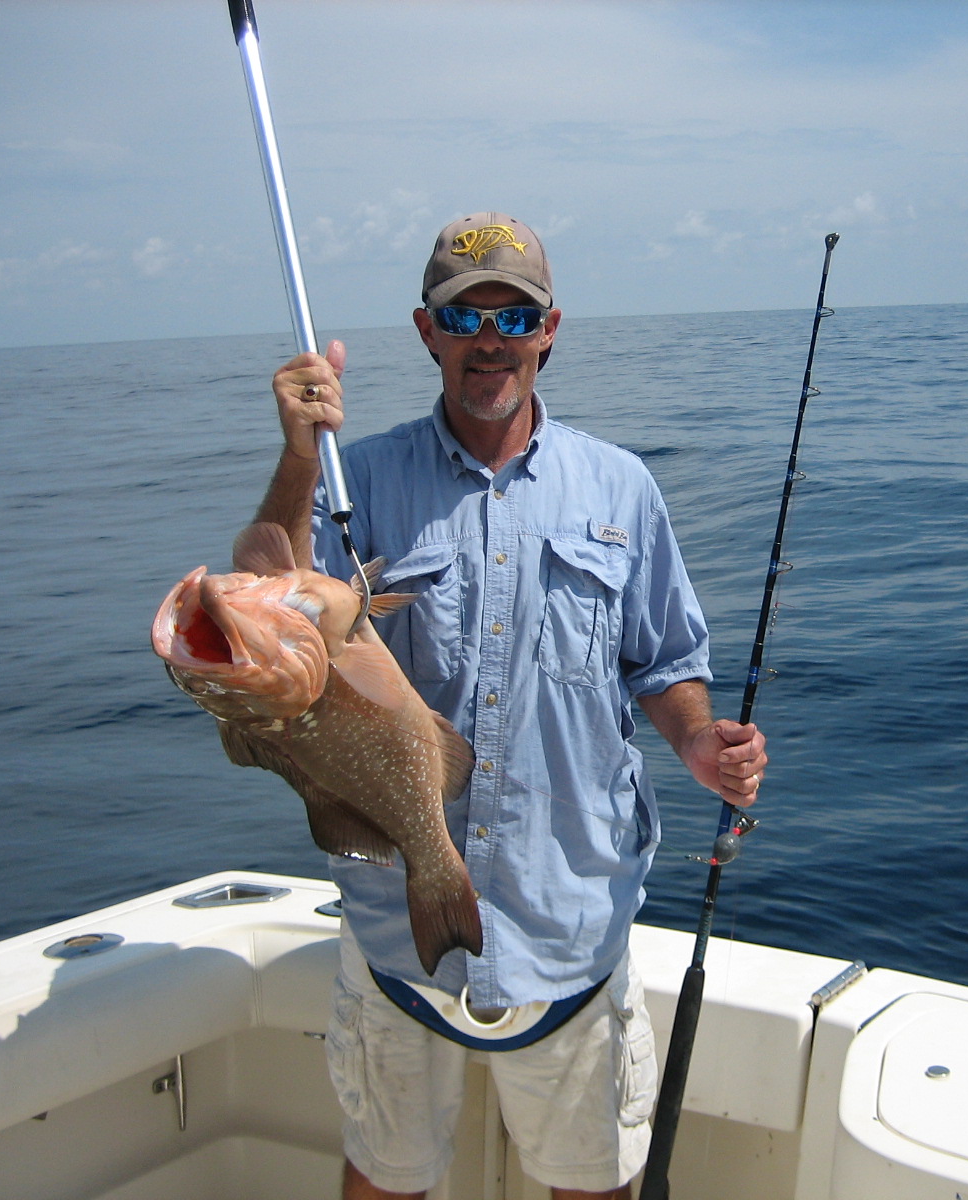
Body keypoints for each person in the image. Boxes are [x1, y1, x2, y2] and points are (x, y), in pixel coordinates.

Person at [255, 212, 768, 1200]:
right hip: (395, 933)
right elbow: (265, 596)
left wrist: (700, 742)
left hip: (568, 921)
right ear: (426, 331)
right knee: (382, 1182)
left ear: (549, 328)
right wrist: (296, 455)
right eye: (464, 316)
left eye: (513, 316)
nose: (489, 338)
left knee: (594, 1188)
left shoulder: (621, 488)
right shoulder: (354, 482)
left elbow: (663, 662)